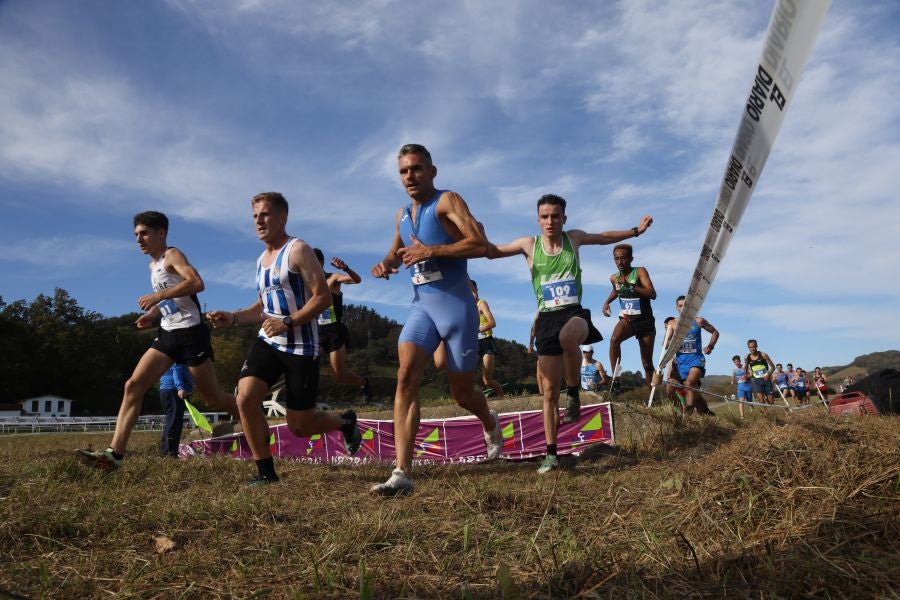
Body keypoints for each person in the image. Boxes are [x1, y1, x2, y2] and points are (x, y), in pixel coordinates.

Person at [369, 144, 501, 496]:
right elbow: (396, 252)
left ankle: (489, 420)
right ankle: (401, 473)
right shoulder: (402, 214)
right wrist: (387, 264)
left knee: (461, 393)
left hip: (457, 308)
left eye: (416, 169)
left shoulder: (448, 201)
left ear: (432, 171)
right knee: (405, 377)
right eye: (403, 171)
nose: (409, 176)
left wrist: (433, 250)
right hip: (421, 306)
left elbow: (480, 244)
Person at [487, 193, 652, 473]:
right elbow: (493, 251)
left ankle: (573, 391)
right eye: (544, 216)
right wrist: (464, 241)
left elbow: (603, 237)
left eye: (555, 216)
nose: (550, 221)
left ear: (564, 218)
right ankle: (551, 454)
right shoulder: (529, 244)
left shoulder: (572, 238)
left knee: (568, 338)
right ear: (538, 219)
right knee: (549, 393)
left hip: (574, 314)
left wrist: (635, 231)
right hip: (547, 320)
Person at [207, 192, 362, 485]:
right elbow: (262, 308)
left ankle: (345, 422)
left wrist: (289, 321)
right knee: (245, 398)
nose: (259, 221)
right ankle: (266, 473)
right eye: (255, 216)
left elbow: (323, 297)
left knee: (300, 427)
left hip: (302, 347)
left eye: (265, 215)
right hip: (268, 341)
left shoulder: (298, 249)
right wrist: (234, 318)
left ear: (282, 217)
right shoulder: (260, 261)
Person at [77, 211, 240, 470]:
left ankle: (251, 419)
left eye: (144, 233)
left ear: (161, 233)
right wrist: (152, 315)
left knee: (212, 398)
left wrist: (156, 297)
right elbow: (169, 299)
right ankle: (115, 453)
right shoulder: (152, 266)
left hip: (190, 334)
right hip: (167, 333)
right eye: (136, 235)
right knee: (133, 385)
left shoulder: (172, 255)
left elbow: (197, 283)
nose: (139, 240)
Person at [313, 248, 373, 403]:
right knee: (306, 363)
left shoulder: (332, 279)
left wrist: (345, 268)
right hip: (317, 332)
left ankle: (363, 383)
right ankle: (307, 398)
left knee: (338, 376)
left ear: (320, 263)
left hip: (334, 332)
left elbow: (357, 280)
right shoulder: (307, 285)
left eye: (312, 262)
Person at [602, 244, 657, 385]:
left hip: (645, 321)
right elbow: (616, 290)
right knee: (614, 340)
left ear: (631, 258)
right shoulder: (614, 278)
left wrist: (630, 285)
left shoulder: (639, 272)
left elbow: (652, 294)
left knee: (647, 364)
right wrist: (607, 302)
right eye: (617, 259)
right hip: (628, 320)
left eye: (623, 258)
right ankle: (616, 379)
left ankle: (653, 397)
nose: (620, 262)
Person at [664, 296, 719, 415]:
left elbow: (715, 332)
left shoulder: (699, 321)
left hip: (696, 360)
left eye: (685, 305)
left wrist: (710, 346)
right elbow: (665, 344)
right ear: (676, 308)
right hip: (680, 363)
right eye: (680, 305)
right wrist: (673, 341)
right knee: (670, 389)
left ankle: (688, 412)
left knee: (689, 384)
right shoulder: (672, 324)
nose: (682, 308)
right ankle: (683, 413)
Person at [471, 280, 505, 398]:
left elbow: (492, 323)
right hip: (473, 344)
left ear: (476, 290)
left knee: (487, 380)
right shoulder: (465, 306)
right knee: (467, 376)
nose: (471, 293)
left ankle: (503, 397)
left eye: (472, 290)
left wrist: (478, 330)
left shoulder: (482, 303)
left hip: (486, 343)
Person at [159, 363, 192, 456]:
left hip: (167, 390)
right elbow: (176, 370)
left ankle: (167, 451)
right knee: (174, 423)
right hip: (173, 390)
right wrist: (180, 387)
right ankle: (169, 452)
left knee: (172, 421)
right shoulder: (179, 355)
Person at [745, 339, 776, 411]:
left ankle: (773, 414)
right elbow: (746, 368)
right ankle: (766, 415)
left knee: (771, 401)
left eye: (754, 346)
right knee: (760, 400)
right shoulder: (747, 357)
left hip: (766, 380)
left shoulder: (763, 355)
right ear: (748, 348)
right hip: (757, 381)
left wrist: (768, 375)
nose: (753, 348)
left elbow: (773, 367)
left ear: (757, 346)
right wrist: (746, 375)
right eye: (751, 347)